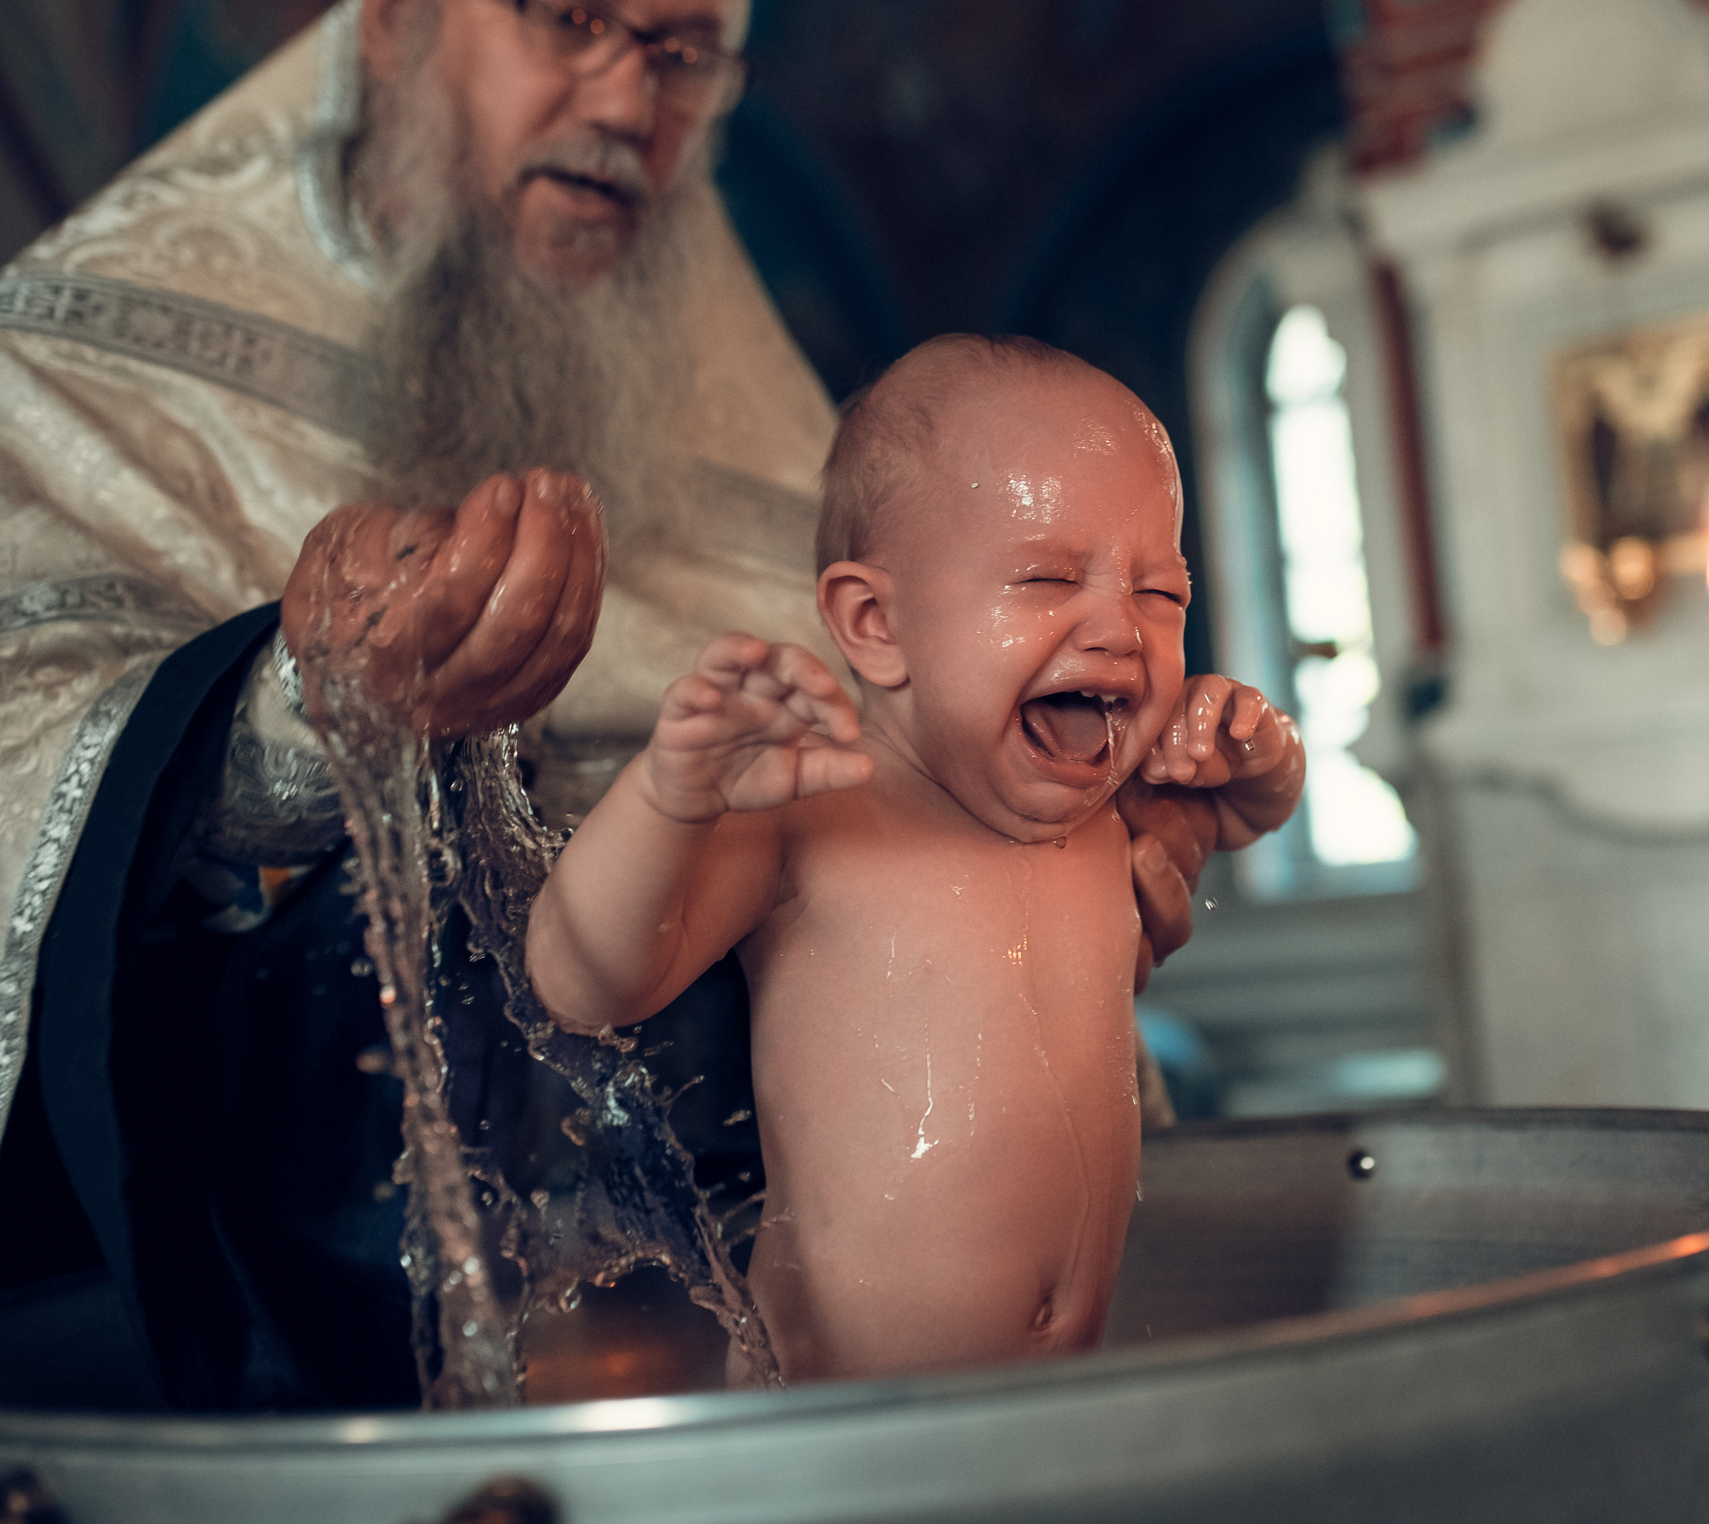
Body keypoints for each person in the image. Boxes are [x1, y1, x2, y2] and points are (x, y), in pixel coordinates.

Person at [0, 0, 1215, 1520]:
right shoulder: (57, 376)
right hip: (305, 1337)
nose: (628, 98)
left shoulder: (770, 436)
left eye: (686, 54)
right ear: (394, 6)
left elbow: (943, 811)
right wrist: (295, 709)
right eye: (569, 15)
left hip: (799, 1372)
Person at [528, 338, 1302, 1381]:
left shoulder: (1102, 809)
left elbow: (1243, 813)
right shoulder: (813, 814)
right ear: (876, 622)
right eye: (1047, 577)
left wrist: (1261, 755)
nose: (1122, 630)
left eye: (1160, 592)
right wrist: (666, 799)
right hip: (843, 1415)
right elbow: (580, 979)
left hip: (1052, 1396)